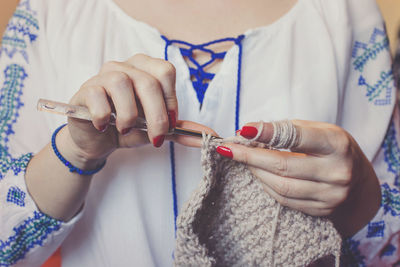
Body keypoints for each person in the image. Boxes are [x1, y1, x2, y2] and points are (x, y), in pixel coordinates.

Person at [0, 0, 398, 266]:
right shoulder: (56, 10)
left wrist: (360, 194)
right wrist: (76, 150)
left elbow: (386, 248)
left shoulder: (345, 12)